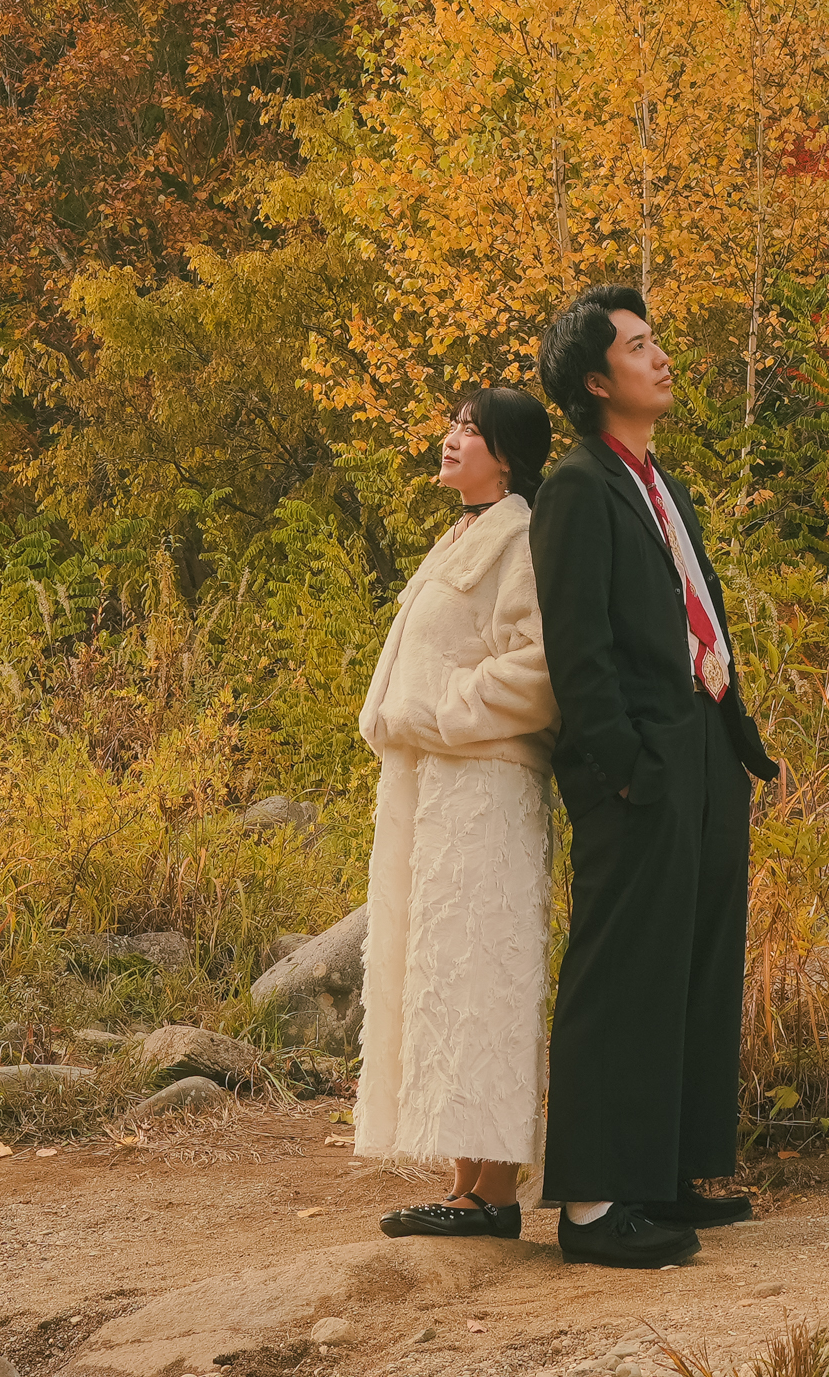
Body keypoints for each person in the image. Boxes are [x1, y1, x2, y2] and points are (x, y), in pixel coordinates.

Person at [526, 284, 778, 1268]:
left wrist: (731, 743)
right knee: (622, 968)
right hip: (637, 763)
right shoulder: (576, 487)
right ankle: (593, 1206)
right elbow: (578, 648)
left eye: (653, 341)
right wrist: (627, 767)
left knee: (695, 961)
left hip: (704, 740)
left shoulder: (658, 483)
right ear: (596, 380)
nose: (660, 357)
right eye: (637, 347)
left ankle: (666, 1172)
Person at [354, 384, 560, 1238]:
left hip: (487, 790)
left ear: (505, 455)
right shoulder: (464, 536)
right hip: (437, 788)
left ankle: (496, 1190)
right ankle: (464, 1180)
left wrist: (439, 708)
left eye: (471, 429)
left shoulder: (521, 536)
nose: (451, 437)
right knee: (443, 973)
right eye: (453, 423)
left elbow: (540, 667)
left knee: (485, 974)